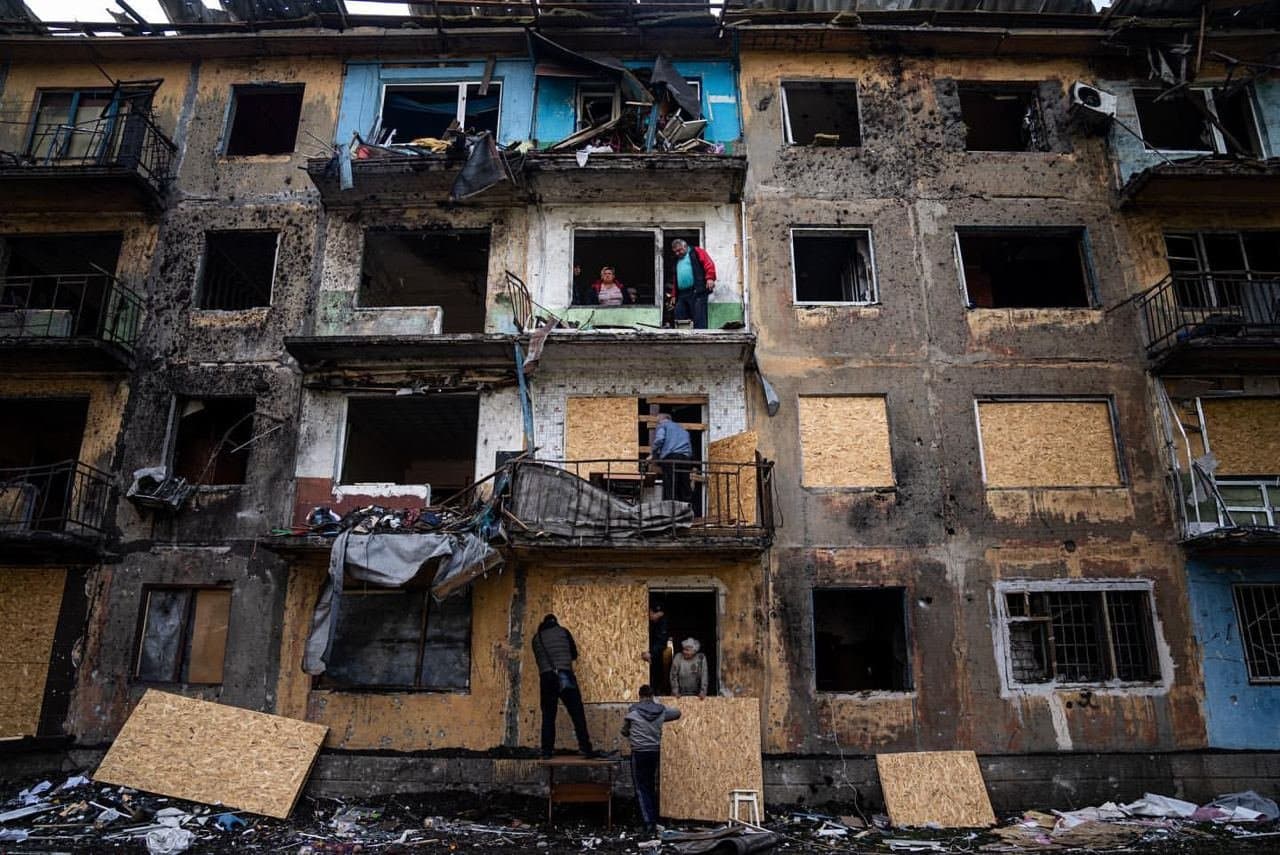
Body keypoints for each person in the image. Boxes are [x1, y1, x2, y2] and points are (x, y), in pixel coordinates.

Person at [532, 614, 598, 759]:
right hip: (565, 676)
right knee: (577, 714)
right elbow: (574, 654)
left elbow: (538, 660)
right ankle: (586, 748)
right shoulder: (563, 632)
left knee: (548, 716)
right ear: (556, 622)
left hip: (546, 678)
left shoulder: (537, 638)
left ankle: (547, 751)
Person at [621, 684, 681, 839]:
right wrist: (660, 706)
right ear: (652, 695)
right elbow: (678, 713)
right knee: (650, 786)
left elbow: (624, 731)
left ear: (640, 696)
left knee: (641, 788)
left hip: (639, 752)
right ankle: (654, 819)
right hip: (654, 752)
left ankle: (648, 824)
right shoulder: (661, 712)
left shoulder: (633, 712)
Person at [667, 239, 716, 330]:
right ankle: (682, 338)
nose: (677, 253)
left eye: (679, 250)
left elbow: (708, 263)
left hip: (697, 291)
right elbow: (675, 278)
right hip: (682, 294)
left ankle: (701, 339)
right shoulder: (677, 260)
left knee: (699, 317)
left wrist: (710, 278)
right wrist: (674, 294)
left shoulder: (696, 251)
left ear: (685, 246)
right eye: (675, 252)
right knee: (679, 314)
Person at [651, 413, 693, 503]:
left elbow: (659, 440)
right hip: (685, 459)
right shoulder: (682, 430)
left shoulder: (663, 425)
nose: (657, 424)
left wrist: (654, 453)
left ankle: (671, 511)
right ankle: (686, 508)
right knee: (684, 484)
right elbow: (689, 448)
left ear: (661, 420)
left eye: (657, 422)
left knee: (670, 484)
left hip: (671, 458)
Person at [640, 600, 670, 693]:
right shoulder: (645, 622)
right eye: (652, 613)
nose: (655, 615)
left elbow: (662, 641)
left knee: (656, 675)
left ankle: (656, 691)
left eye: (658, 613)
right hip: (648, 653)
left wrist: (651, 653)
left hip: (656, 655)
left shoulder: (662, 622)